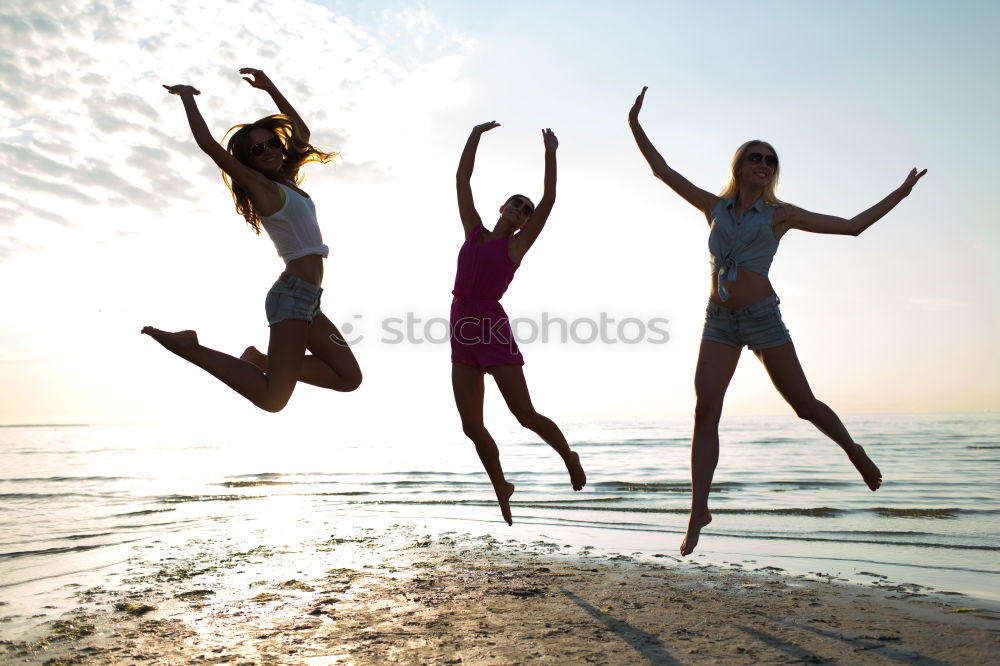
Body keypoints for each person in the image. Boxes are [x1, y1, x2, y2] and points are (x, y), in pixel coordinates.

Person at [628, 86, 926, 556]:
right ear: (740, 167)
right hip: (719, 322)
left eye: (770, 160)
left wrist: (901, 193)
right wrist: (636, 126)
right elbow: (663, 171)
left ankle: (854, 451)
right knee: (705, 412)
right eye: (755, 158)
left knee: (804, 405)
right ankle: (698, 508)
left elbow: (852, 226)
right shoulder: (715, 207)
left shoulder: (780, 215)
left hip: (763, 319)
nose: (764, 164)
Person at [143, 68, 362, 411]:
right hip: (289, 297)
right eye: (258, 150)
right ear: (249, 162)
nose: (270, 151)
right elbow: (208, 146)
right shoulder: (261, 188)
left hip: (308, 301)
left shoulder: (289, 181)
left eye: (273, 143)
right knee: (272, 399)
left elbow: (301, 131)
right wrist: (186, 97)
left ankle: (260, 360)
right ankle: (190, 347)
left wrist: (270, 86)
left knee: (349, 378)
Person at [452, 121, 586, 525]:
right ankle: (501, 487)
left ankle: (569, 456)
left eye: (525, 211)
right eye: (516, 204)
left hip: (492, 327)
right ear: (502, 208)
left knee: (524, 413)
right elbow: (462, 179)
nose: (521, 211)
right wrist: (473, 136)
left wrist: (550, 154)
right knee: (471, 425)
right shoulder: (473, 234)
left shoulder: (517, 244)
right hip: (461, 328)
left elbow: (549, 200)